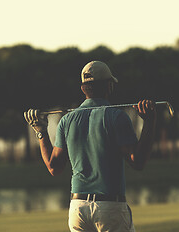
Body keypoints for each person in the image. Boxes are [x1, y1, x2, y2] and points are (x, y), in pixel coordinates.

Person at [24, 61, 156, 232]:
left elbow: (54, 167)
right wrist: (150, 122)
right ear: (109, 86)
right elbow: (137, 162)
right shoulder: (117, 117)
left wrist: (41, 131)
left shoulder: (66, 120)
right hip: (110, 206)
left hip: (78, 208)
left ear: (83, 88)